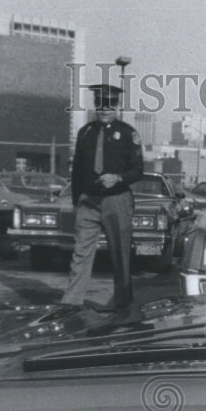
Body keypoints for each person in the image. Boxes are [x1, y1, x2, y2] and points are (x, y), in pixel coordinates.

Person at [61, 83, 144, 313]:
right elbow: (77, 169)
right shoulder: (85, 132)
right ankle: (71, 302)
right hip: (89, 201)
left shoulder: (128, 134)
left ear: (117, 106)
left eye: (110, 104)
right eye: (100, 104)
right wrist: (77, 199)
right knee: (80, 252)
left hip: (116, 200)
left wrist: (118, 178)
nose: (104, 109)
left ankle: (122, 304)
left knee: (120, 254)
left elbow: (138, 170)